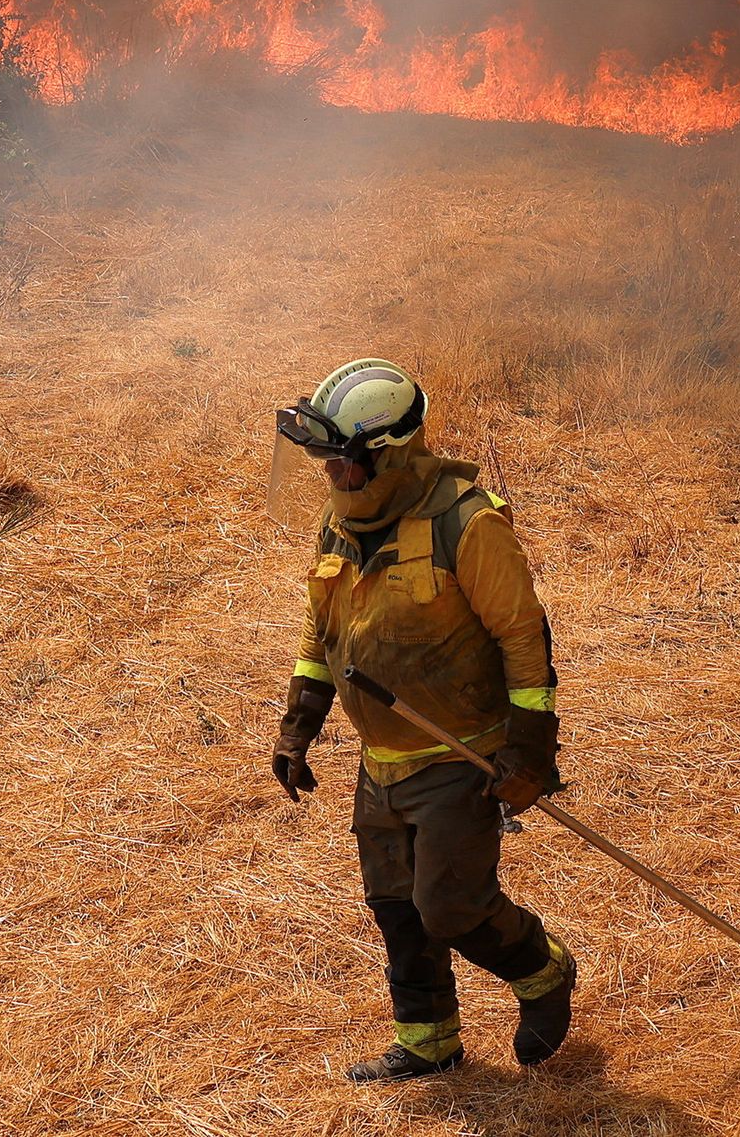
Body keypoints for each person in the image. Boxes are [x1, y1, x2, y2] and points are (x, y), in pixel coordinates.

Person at [267, 358, 576, 1081]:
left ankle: (543, 970)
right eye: (323, 461)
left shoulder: (467, 523)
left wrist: (530, 751)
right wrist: (299, 721)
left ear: (390, 455)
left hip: (459, 756)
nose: (330, 475)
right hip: (382, 760)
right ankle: (428, 1042)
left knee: (450, 906)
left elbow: (523, 639)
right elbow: (324, 628)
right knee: (396, 907)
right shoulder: (342, 522)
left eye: (340, 460)